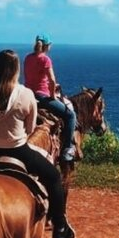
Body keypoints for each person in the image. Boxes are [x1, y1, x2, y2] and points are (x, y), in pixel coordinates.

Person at [0, 49, 75, 238]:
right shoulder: (26, 94)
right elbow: (31, 127)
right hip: (18, 150)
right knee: (54, 177)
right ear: (16, 70)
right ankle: (60, 226)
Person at [24, 33, 77, 162]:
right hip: (42, 97)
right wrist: (52, 95)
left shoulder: (28, 58)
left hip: (28, 95)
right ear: (47, 46)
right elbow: (52, 80)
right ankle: (67, 150)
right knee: (70, 116)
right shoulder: (45, 59)